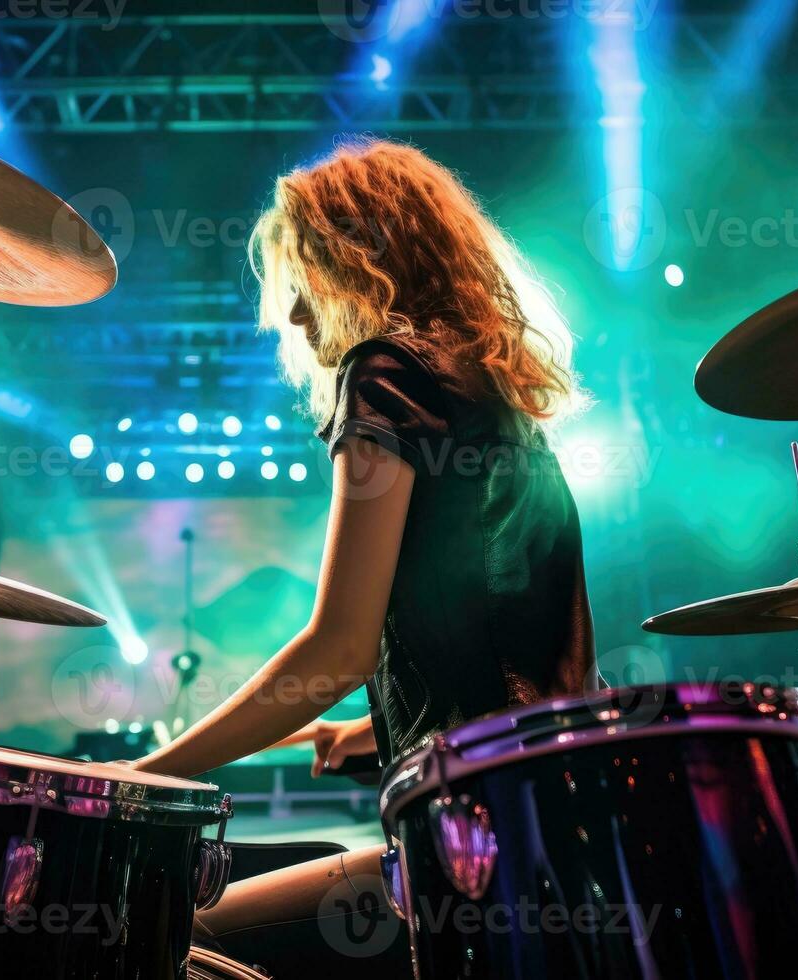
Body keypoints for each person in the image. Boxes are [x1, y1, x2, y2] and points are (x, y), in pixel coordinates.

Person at [131, 138, 596, 972]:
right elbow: (512, 643)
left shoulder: (383, 376)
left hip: (470, 839)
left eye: (303, 283)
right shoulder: (495, 394)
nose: (296, 317)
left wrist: (149, 776)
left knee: (177, 935)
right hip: (557, 821)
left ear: (357, 264)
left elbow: (339, 645)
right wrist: (365, 729)